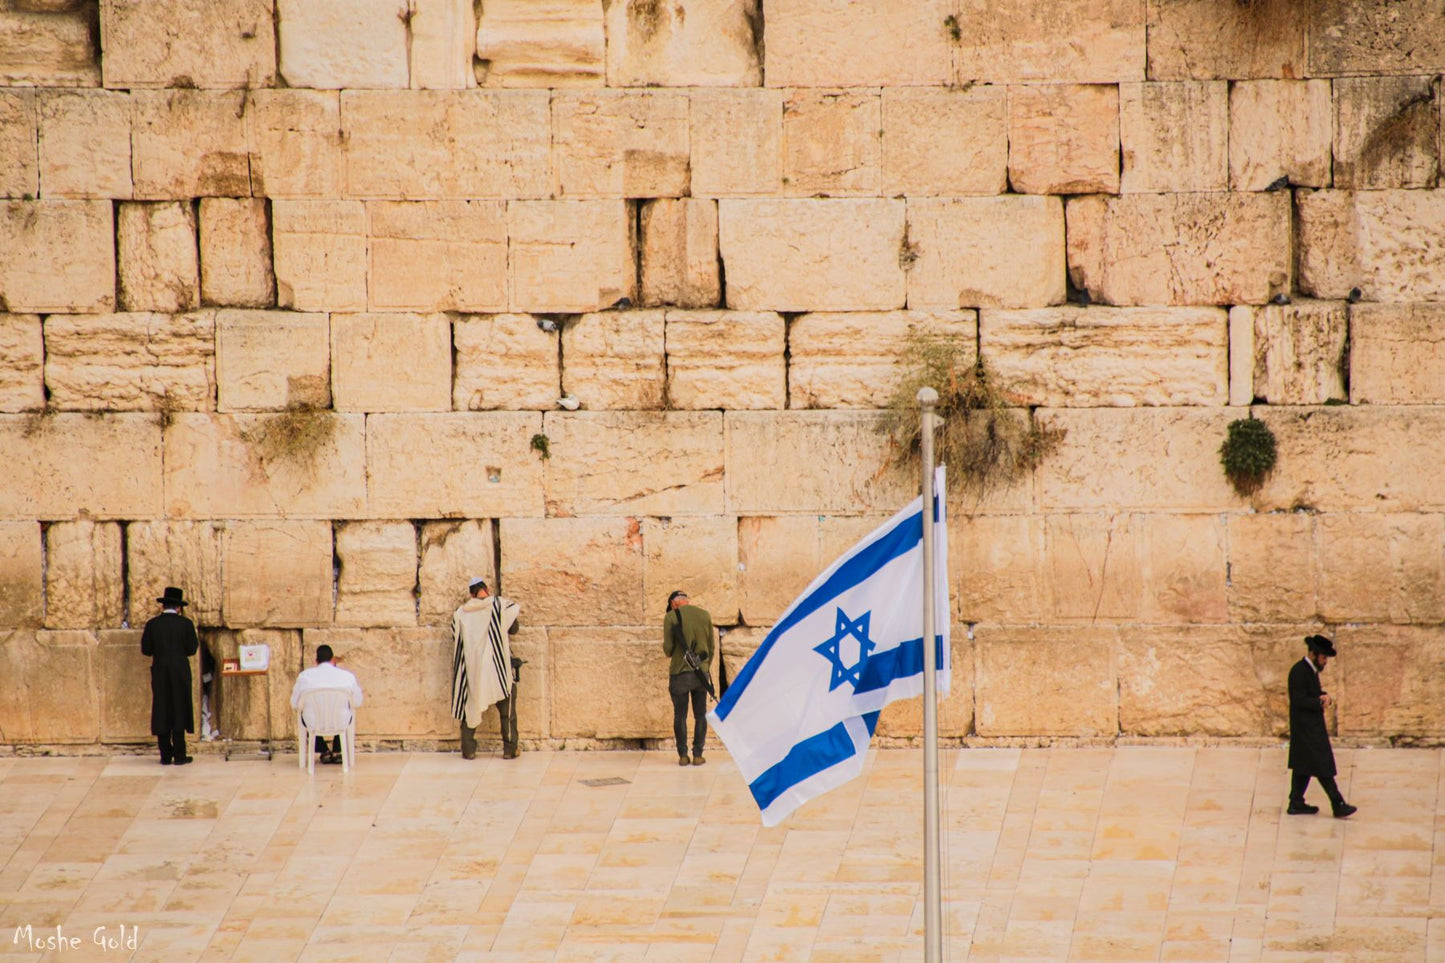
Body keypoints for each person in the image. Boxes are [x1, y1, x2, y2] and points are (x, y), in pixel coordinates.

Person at [451, 576, 522, 760]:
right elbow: (514, 628)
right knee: (507, 707)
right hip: (497, 669)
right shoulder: (499, 606)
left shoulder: (461, 614)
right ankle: (510, 749)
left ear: (471, 593)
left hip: (474, 670)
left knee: (471, 705)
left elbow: (456, 638)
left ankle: (469, 750)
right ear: (487, 589)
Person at [1287, 634, 1357, 818]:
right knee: (1322, 766)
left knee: (1304, 766)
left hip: (1310, 728)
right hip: (1306, 730)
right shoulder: (1298, 671)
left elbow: (1312, 694)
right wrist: (1318, 701)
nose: (1325, 661)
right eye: (1323, 657)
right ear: (1313, 654)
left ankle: (1296, 802)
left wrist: (1323, 696)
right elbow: (1299, 700)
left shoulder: (1309, 671)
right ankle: (1338, 803)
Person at [142, 586, 200, 765]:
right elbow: (192, 649)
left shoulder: (152, 624)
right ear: (179, 607)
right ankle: (180, 756)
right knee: (179, 708)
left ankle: (165, 755)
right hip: (180, 672)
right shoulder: (186, 624)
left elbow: (146, 649)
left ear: (163, 606)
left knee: (162, 708)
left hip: (160, 671)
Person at [662, 590, 714, 767]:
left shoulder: (670, 617)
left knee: (680, 715)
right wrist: (704, 667)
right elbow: (711, 648)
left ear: (674, 604)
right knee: (700, 714)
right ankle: (698, 755)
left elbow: (668, 649)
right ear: (687, 601)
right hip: (701, 673)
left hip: (679, 673)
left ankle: (683, 756)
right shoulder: (704, 615)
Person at [290, 645, 363, 765]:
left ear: (316, 661)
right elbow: (357, 702)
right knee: (345, 713)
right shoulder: (347, 677)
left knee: (306, 716)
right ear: (332, 660)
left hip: (313, 723)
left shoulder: (304, 676)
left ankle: (323, 750)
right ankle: (337, 750)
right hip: (341, 722)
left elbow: (295, 704)